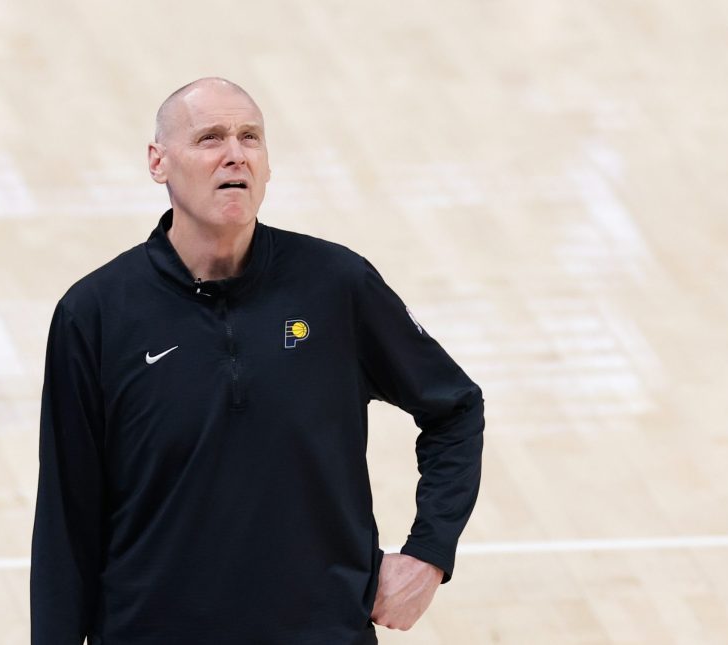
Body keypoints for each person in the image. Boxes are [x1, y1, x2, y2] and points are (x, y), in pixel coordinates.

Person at [29, 77, 485, 645]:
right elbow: (66, 516)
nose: (235, 154)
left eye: (250, 137)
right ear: (158, 162)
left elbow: (455, 408)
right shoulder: (95, 313)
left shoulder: (336, 285)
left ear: (267, 165)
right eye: (210, 138)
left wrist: (429, 554)